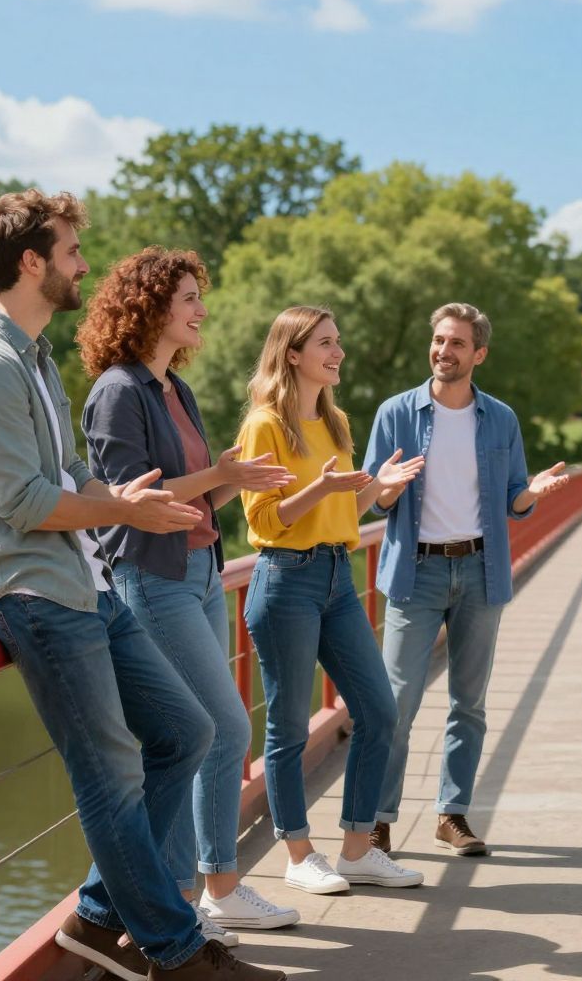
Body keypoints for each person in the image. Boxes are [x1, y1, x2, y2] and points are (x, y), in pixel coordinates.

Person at [0, 189, 282, 980]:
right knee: (113, 770)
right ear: (32, 262)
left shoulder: (33, 357)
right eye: (71, 251)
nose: (83, 264)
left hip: (83, 582)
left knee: (185, 733)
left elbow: (67, 480)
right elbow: (24, 500)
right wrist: (121, 505)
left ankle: (95, 920)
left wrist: (134, 501)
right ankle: (175, 952)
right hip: (28, 592)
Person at [79, 248, 300, 941]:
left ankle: (192, 897)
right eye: (189, 297)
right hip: (151, 579)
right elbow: (125, 500)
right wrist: (218, 476)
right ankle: (183, 895)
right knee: (220, 730)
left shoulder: (176, 387)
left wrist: (240, 478)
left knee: (200, 735)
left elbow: (201, 497)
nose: (202, 309)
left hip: (202, 574)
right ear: (150, 306)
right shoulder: (117, 390)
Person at [364, 303, 569, 856]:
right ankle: (377, 821)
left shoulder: (500, 418)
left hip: (480, 570)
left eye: (456, 343)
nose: (442, 352)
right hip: (417, 570)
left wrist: (535, 492)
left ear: (478, 353)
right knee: (396, 703)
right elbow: (375, 501)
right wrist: (386, 486)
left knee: (469, 703)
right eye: (437, 340)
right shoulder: (396, 414)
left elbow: (513, 500)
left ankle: (452, 815)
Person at [237, 305, 426, 895]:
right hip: (284, 581)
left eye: (337, 341)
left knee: (379, 711)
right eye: (325, 342)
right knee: (290, 727)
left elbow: (342, 512)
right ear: (293, 353)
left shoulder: (337, 421)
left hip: (337, 579)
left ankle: (356, 849)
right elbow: (264, 519)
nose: (337, 351)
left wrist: (376, 490)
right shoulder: (264, 425)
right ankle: (298, 853)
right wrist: (320, 485)